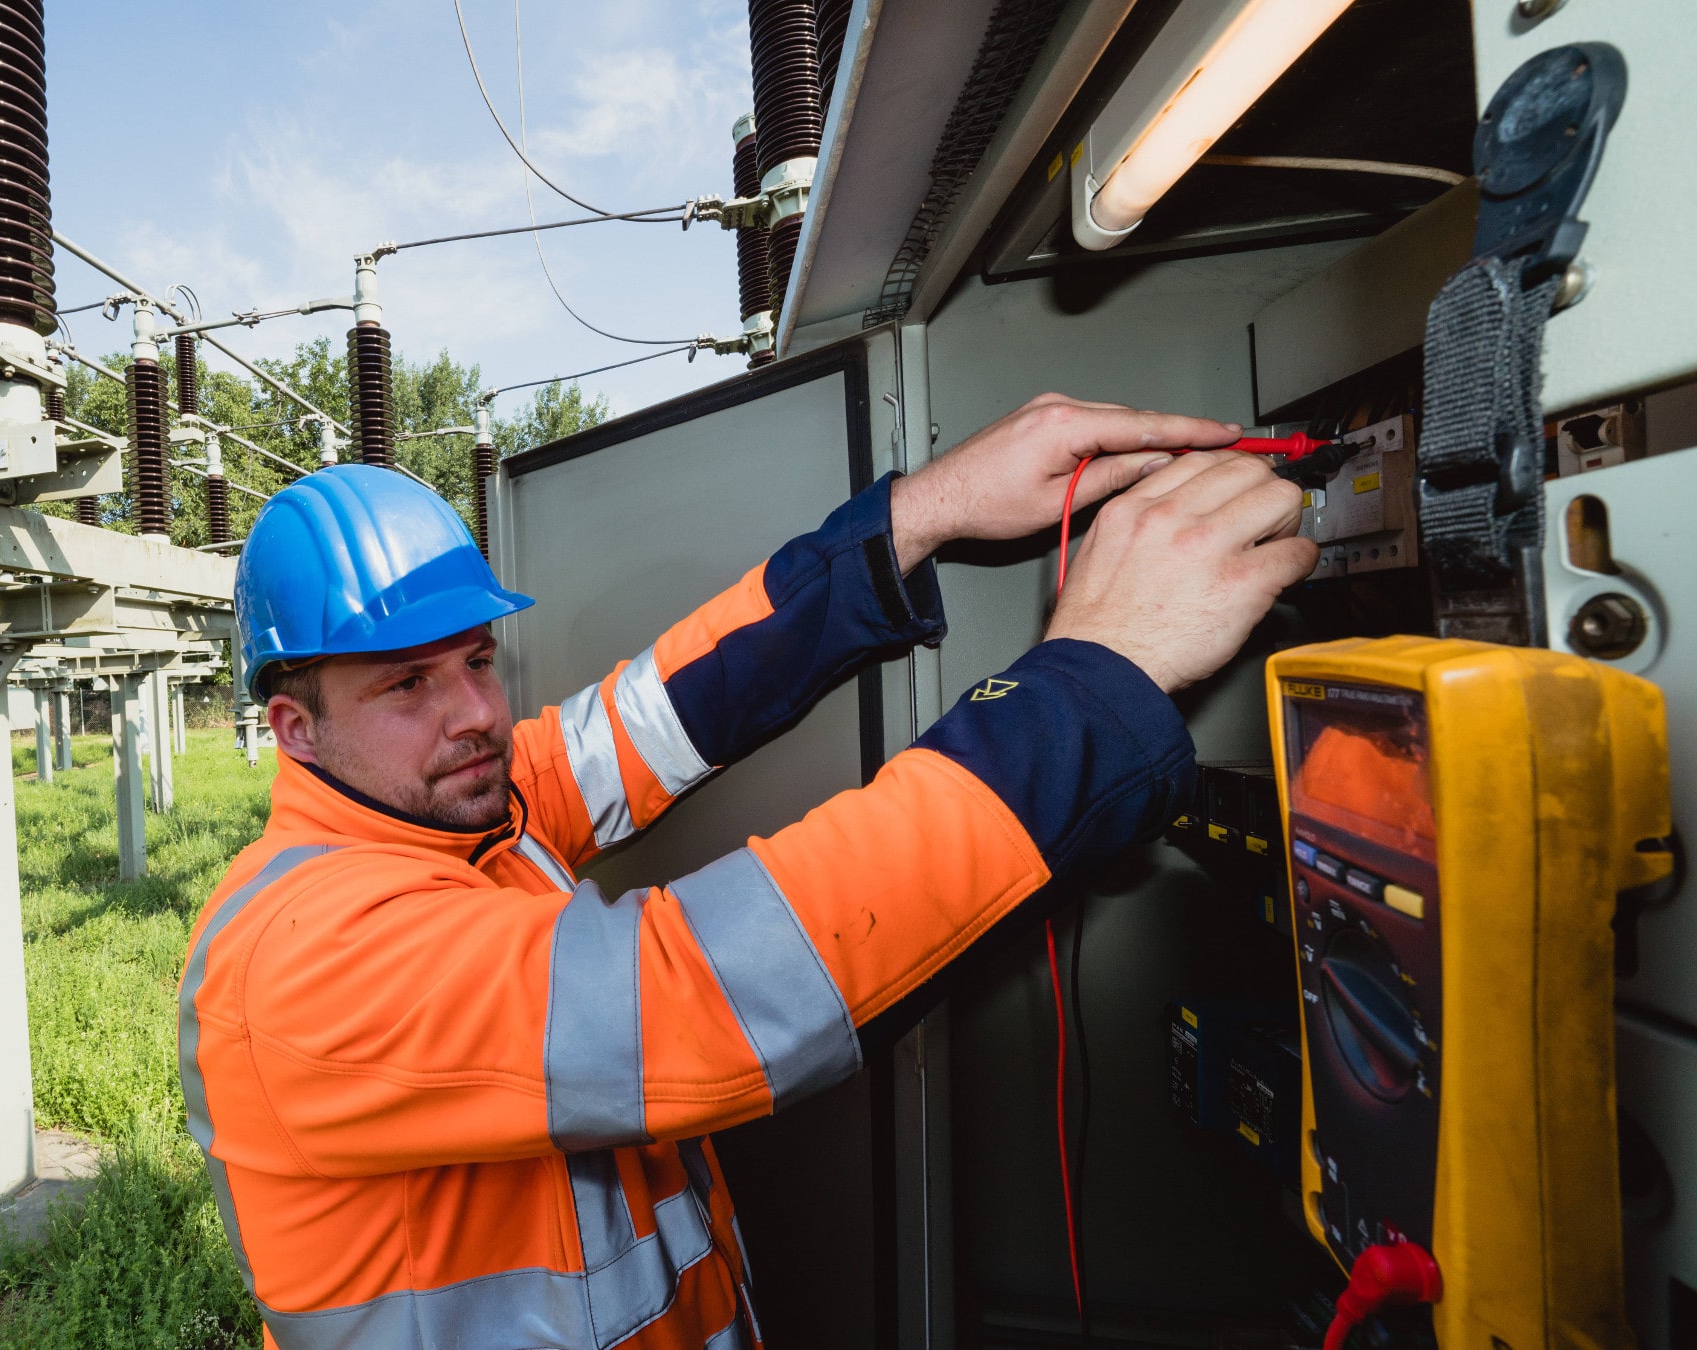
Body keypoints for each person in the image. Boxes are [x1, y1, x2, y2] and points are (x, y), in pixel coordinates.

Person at [180, 393, 1319, 1349]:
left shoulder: (463, 806)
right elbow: (694, 994)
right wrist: (1094, 679)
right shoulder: (300, 959)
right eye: (407, 685)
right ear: (295, 730)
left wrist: (932, 510)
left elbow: (663, 702)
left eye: (478, 660)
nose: (478, 712)